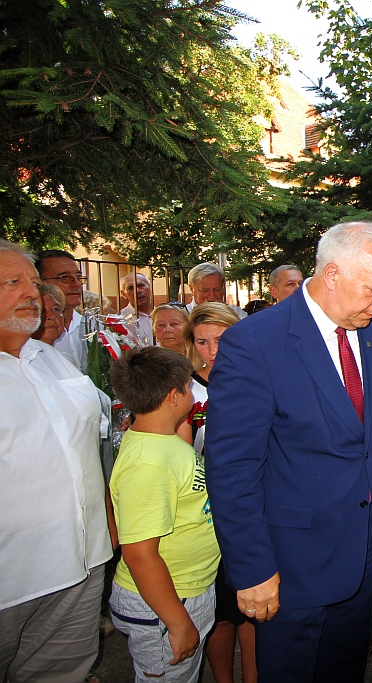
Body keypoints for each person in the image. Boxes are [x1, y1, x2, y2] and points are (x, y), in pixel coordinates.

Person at [205, 221, 372, 682]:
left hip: (365, 550)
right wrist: (252, 568)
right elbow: (233, 468)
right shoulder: (254, 342)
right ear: (331, 274)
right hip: (291, 566)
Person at [0, 240, 115, 682]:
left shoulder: (51, 360)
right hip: (12, 579)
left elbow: (90, 448)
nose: (32, 294)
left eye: (33, 282)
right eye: (14, 282)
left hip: (81, 565)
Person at [107, 347, 220, 683]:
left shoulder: (162, 440)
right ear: (175, 396)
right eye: (188, 386)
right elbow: (140, 554)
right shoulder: (149, 463)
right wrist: (178, 621)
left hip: (183, 590)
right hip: (166, 603)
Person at [179, 303, 254, 683]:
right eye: (202, 341)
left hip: (251, 504)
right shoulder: (184, 389)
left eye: (221, 340)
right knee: (220, 612)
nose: (212, 351)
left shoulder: (255, 377)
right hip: (204, 512)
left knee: (253, 610)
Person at [36, 249, 90, 371]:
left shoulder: (94, 327)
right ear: (40, 282)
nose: (76, 284)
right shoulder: (34, 333)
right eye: (64, 278)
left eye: (78, 277)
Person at [120, 272, 155, 345]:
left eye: (141, 285)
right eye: (130, 288)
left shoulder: (163, 315)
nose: (137, 291)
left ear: (150, 288)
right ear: (124, 294)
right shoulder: (120, 320)